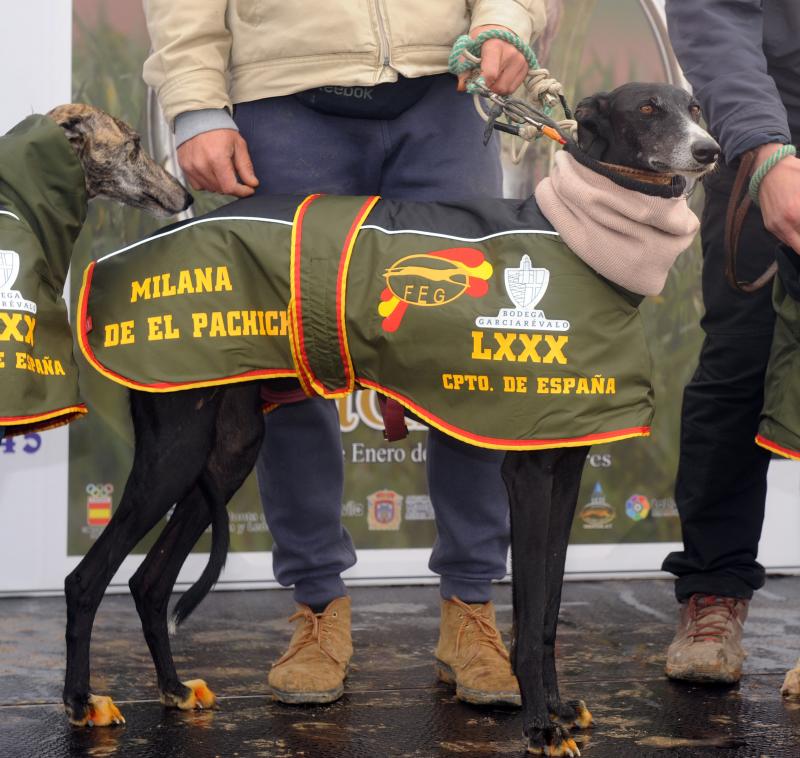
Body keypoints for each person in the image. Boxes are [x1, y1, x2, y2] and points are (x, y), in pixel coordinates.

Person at [142, 0, 548, 705]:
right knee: (286, 367)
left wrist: (505, 21)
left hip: (444, 101)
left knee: (468, 359)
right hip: (281, 106)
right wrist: (196, 106)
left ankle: (472, 610)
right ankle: (317, 608)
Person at [661, 0, 800, 683]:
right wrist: (767, 149)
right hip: (773, 145)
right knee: (741, 369)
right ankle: (713, 591)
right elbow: (713, 17)